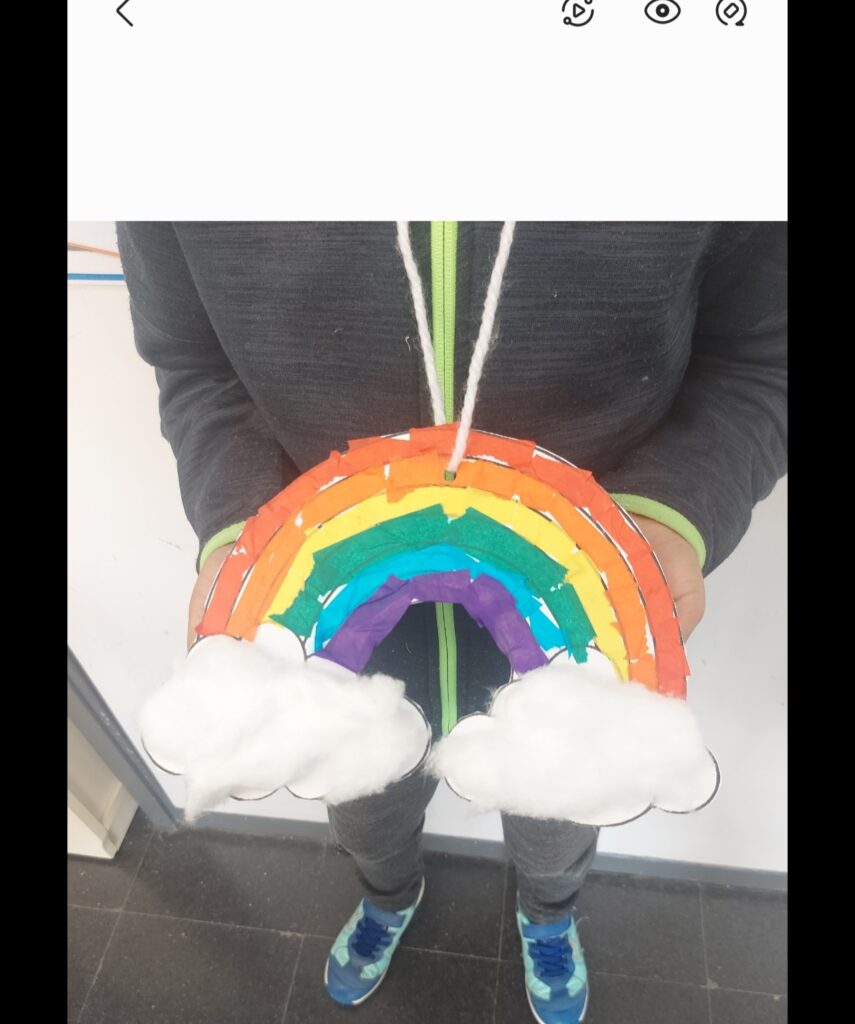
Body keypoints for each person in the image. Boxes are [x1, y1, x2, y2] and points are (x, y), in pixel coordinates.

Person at [118, 221, 787, 1024]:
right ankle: (387, 895)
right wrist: (241, 530)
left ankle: (547, 916)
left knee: (558, 819)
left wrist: (671, 512)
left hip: (579, 622)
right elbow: (193, 363)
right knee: (364, 810)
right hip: (329, 632)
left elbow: (759, 358)